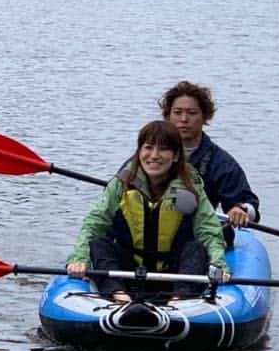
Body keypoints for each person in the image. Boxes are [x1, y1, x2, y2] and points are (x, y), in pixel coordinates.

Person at [66, 120, 229, 305]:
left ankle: (179, 299)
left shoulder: (187, 191)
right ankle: (119, 295)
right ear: (139, 152)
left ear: (175, 156)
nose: (154, 156)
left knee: (195, 248)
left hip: (173, 270)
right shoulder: (122, 185)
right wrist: (80, 258)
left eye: (163, 150)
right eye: (148, 148)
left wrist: (219, 264)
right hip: (128, 270)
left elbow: (207, 230)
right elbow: (95, 223)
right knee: (99, 243)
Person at [158, 81, 260, 230]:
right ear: (168, 116)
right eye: (178, 112)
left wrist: (240, 210)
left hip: (197, 233)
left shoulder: (221, 163)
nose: (184, 119)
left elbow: (251, 207)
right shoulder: (149, 156)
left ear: (205, 117)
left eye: (191, 113)